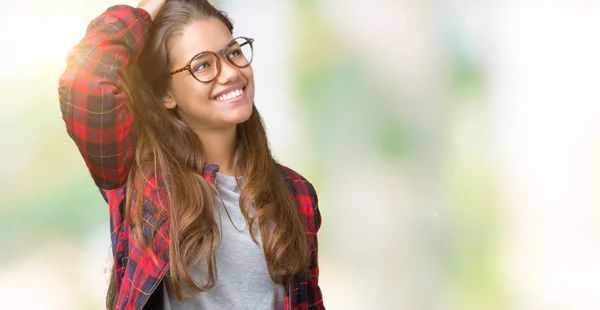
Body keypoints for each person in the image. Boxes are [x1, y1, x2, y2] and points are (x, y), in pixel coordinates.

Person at [57, 0, 324, 309]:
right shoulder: (142, 179)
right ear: (166, 94)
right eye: (203, 65)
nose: (230, 73)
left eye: (233, 52)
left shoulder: (297, 193)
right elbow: (85, 80)